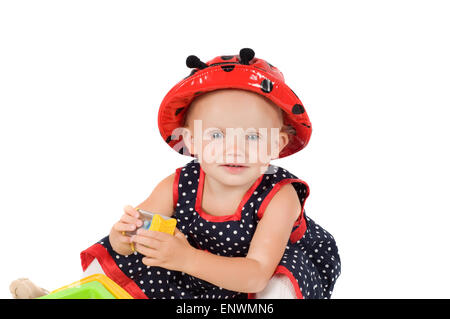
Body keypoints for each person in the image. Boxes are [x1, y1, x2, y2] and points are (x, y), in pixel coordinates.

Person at [12, 48, 341, 299]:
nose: (235, 149)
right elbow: (129, 242)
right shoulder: (178, 184)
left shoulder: (279, 196)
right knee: (125, 257)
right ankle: (62, 296)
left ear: (278, 144)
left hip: (253, 277)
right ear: (191, 141)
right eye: (216, 135)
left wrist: (186, 259)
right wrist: (125, 236)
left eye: (253, 137)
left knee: (278, 286)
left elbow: (255, 274)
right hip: (194, 271)